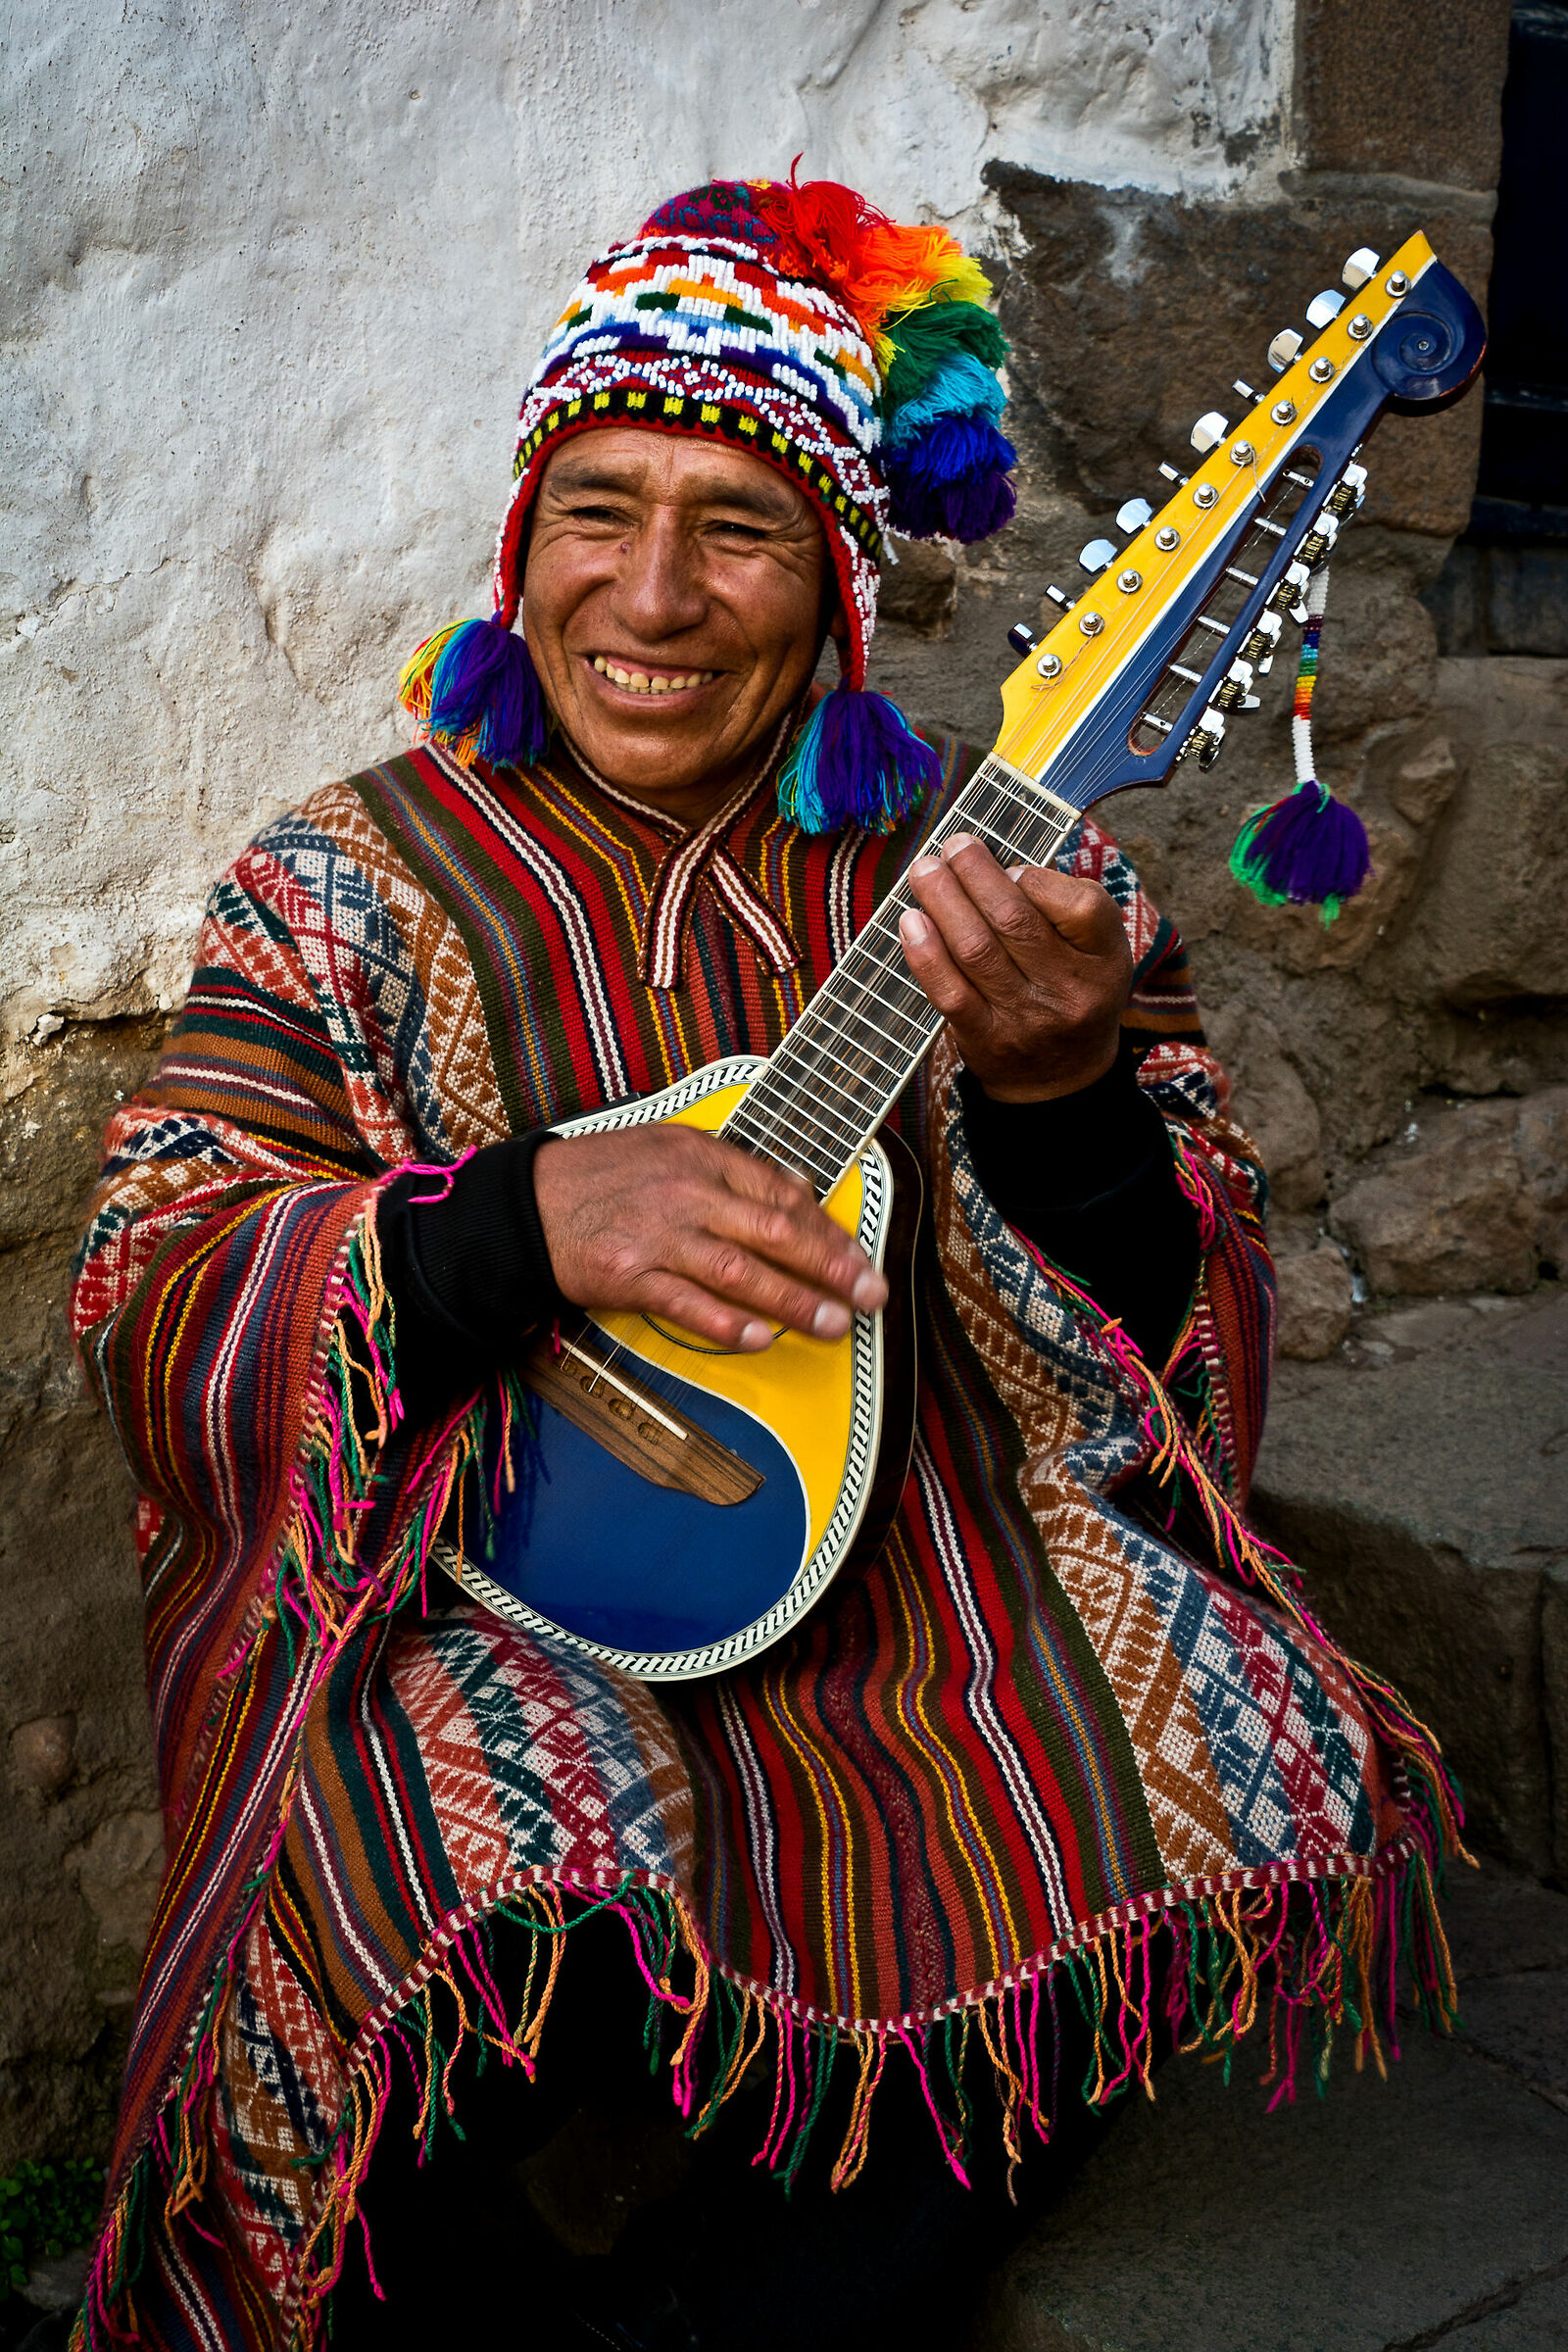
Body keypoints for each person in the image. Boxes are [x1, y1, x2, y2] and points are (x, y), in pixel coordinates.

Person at [70, 176, 1461, 2352]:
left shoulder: (1004, 869)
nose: (647, 591)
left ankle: (802, 2280)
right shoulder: (346, 883)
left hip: (923, 1570)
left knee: (1218, 1739)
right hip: (485, 1585)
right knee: (445, 1885)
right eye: (594, 510)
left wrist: (1062, 1092)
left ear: (833, 582)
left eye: (733, 529)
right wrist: (517, 1218)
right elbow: (157, 1285)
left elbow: (1169, 1329)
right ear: (517, 545)